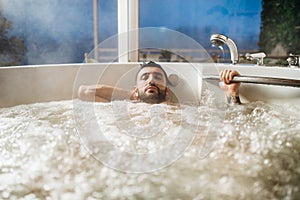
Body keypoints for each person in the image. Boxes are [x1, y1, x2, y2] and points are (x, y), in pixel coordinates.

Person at [78, 61, 241, 105]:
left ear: (168, 91)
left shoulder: (185, 111)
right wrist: (135, 95)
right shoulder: (121, 109)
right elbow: (84, 92)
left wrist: (231, 93)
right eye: (145, 78)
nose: (151, 80)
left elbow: (230, 122)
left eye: (157, 77)